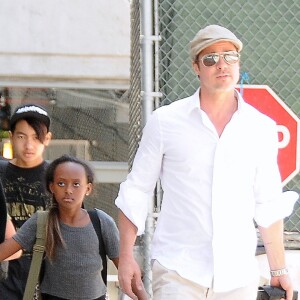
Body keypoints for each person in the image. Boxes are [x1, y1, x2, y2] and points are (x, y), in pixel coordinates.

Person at [115, 24, 297, 300]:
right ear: (196, 67)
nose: (221, 64)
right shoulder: (165, 122)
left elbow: (268, 204)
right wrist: (126, 256)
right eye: (210, 58)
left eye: (229, 56)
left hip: (239, 275)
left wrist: (279, 268)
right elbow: (137, 190)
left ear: (238, 62)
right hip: (178, 270)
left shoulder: (261, 128)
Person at [0, 154, 119, 300]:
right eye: (61, 183)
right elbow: (6, 250)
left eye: (76, 184)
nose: (68, 190)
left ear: (88, 188)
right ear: (52, 187)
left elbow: (124, 266)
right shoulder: (42, 221)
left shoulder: (101, 222)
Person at [0, 104, 53, 299]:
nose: (29, 145)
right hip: (4, 273)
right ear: (11, 136)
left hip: (45, 275)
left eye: (36, 137)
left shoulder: (58, 177)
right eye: (22, 136)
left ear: (47, 139)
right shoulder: (1, 172)